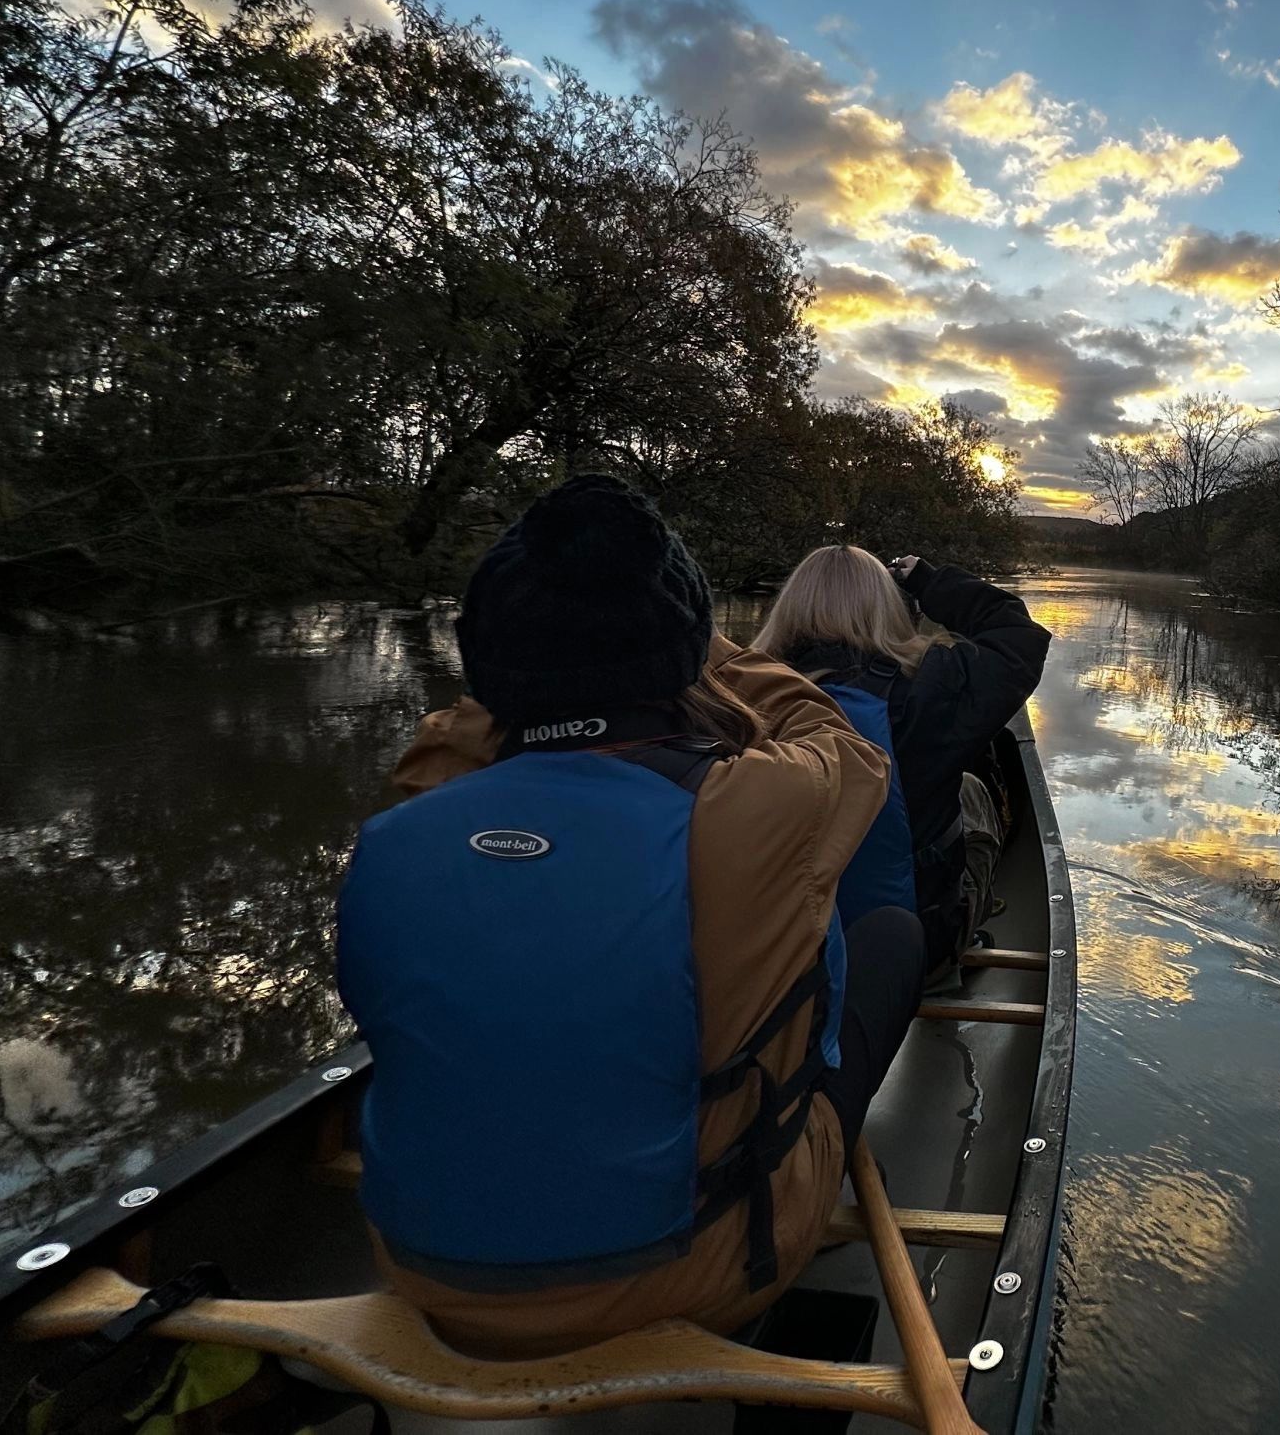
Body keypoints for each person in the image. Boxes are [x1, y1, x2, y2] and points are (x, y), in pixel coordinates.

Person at [336, 476, 925, 1356]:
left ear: (493, 662)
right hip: (695, 1273)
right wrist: (696, 644)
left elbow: (461, 727)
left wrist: (568, 659)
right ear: (681, 649)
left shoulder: (408, 810)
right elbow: (835, 734)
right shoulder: (758, 807)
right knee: (890, 937)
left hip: (422, 1270)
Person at [752, 546, 1050, 975]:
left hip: (778, 952)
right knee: (972, 792)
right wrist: (928, 581)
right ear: (887, 607)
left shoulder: (742, 694)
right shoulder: (932, 687)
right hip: (911, 950)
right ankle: (955, 952)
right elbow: (1019, 635)